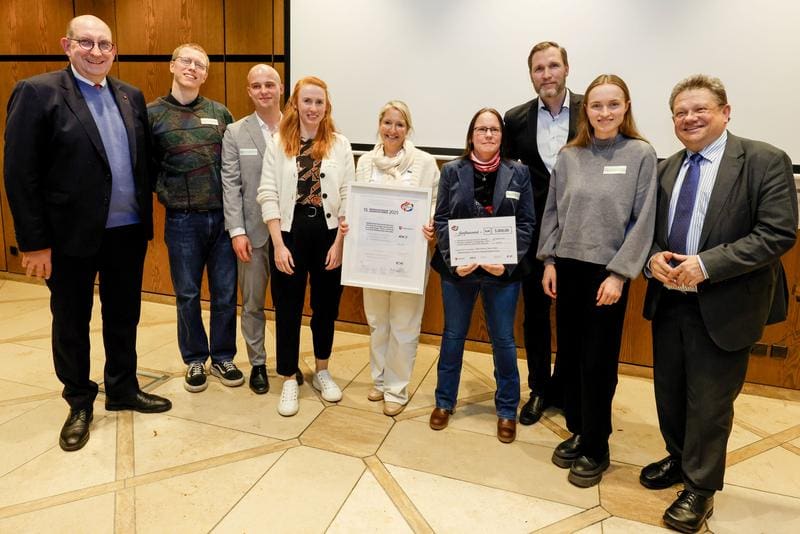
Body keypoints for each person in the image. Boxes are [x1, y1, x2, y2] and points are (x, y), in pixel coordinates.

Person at [3, 15, 172, 452]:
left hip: (126, 232)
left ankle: (122, 388)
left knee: (123, 316)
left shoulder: (130, 95)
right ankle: (79, 400)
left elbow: (142, 161)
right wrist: (34, 243)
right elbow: (20, 174)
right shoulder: (38, 92)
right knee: (72, 321)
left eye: (105, 44)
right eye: (87, 43)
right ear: (67, 45)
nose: (97, 51)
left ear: (114, 50)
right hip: (66, 238)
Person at [640, 74, 797, 533]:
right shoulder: (667, 167)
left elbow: (777, 233)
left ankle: (701, 489)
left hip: (726, 305)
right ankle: (677, 458)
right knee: (669, 394)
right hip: (670, 301)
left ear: (725, 112)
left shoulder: (764, 160)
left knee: (709, 404)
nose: (689, 118)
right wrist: (652, 259)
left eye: (700, 109)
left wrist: (707, 265)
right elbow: (648, 230)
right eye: (680, 113)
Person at [537, 74, 657, 487]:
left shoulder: (640, 154)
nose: (604, 113)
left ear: (626, 107)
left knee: (598, 363)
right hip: (566, 268)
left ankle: (597, 447)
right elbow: (552, 211)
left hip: (607, 276)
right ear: (584, 110)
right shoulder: (570, 156)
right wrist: (549, 260)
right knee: (569, 357)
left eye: (612, 105)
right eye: (596, 105)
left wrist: (621, 274)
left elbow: (643, 221)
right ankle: (579, 429)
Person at [429, 108, 535, 444]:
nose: (488, 135)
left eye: (494, 130)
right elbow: (442, 219)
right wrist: (453, 258)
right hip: (457, 271)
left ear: (502, 136)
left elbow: (526, 223)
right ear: (471, 135)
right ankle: (444, 401)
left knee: (503, 339)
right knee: (453, 336)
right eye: (481, 129)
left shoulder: (518, 173)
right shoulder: (452, 171)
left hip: (502, 273)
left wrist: (505, 263)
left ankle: (506, 409)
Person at [257, 76, 354, 417]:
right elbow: (267, 192)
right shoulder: (278, 142)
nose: (313, 108)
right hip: (290, 234)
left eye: (319, 102)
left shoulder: (340, 144)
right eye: (307, 101)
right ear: (295, 104)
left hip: (328, 235)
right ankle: (287, 378)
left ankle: (322, 370)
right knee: (287, 308)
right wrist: (279, 244)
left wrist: (340, 243)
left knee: (326, 307)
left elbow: (347, 196)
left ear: (327, 107)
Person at [148, 43, 240, 393]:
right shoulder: (152, 115)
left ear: (206, 74)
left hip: (223, 220)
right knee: (187, 293)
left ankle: (223, 356)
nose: (193, 68)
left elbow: (233, 167)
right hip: (182, 221)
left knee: (225, 293)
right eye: (186, 61)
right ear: (172, 65)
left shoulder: (221, 114)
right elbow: (146, 167)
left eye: (200, 64)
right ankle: (195, 360)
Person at [503, 41, 583, 425]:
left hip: (582, 235)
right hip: (533, 236)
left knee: (572, 314)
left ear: (566, 68)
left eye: (553, 66)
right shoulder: (515, 119)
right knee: (535, 314)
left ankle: (567, 388)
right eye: (539, 68)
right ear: (531, 74)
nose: (547, 74)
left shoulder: (593, 112)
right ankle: (539, 389)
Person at [354, 101, 440, 416]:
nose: (393, 130)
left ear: (408, 129)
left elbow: (434, 203)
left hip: (409, 259)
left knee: (404, 324)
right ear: (379, 125)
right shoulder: (364, 162)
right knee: (378, 322)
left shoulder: (426, 162)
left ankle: (396, 388)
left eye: (399, 124)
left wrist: (430, 224)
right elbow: (357, 202)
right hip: (373, 258)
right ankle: (378, 380)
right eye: (388, 123)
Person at [221, 64, 285, 394]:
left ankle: (287, 366)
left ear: (281, 87)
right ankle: (258, 363)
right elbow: (230, 185)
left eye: (269, 84)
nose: (264, 91)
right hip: (253, 234)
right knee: (252, 304)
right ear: (249, 91)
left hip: (290, 235)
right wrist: (236, 231)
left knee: (289, 306)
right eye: (257, 86)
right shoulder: (235, 132)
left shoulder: (297, 128)